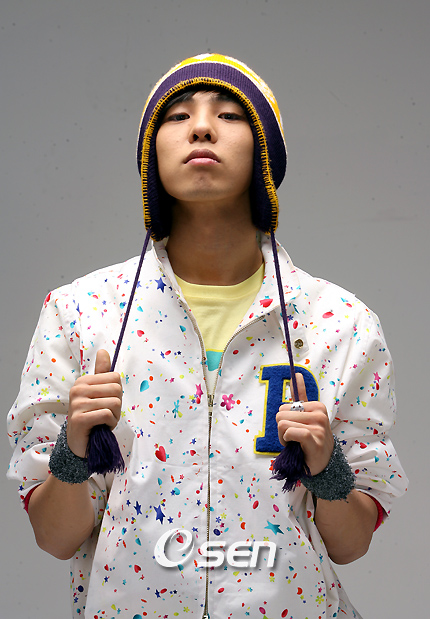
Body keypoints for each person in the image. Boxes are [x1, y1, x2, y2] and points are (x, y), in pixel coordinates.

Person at [7, 53, 407, 619]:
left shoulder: (341, 323)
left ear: (265, 152)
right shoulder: (79, 312)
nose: (200, 127)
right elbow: (55, 537)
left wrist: (328, 468)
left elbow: (351, 544)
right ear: (152, 157)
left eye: (229, 114)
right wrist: (73, 449)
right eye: (177, 116)